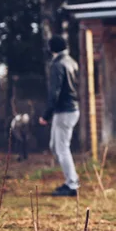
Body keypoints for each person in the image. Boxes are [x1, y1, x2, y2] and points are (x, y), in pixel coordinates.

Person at [39, 35, 81, 197]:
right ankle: (71, 180)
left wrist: (46, 115)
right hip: (70, 110)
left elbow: (54, 92)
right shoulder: (71, 61)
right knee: (55, 147)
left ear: (52, 48)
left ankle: (72, 185)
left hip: (64, 111)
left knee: (61, 149)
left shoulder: (57, 64)